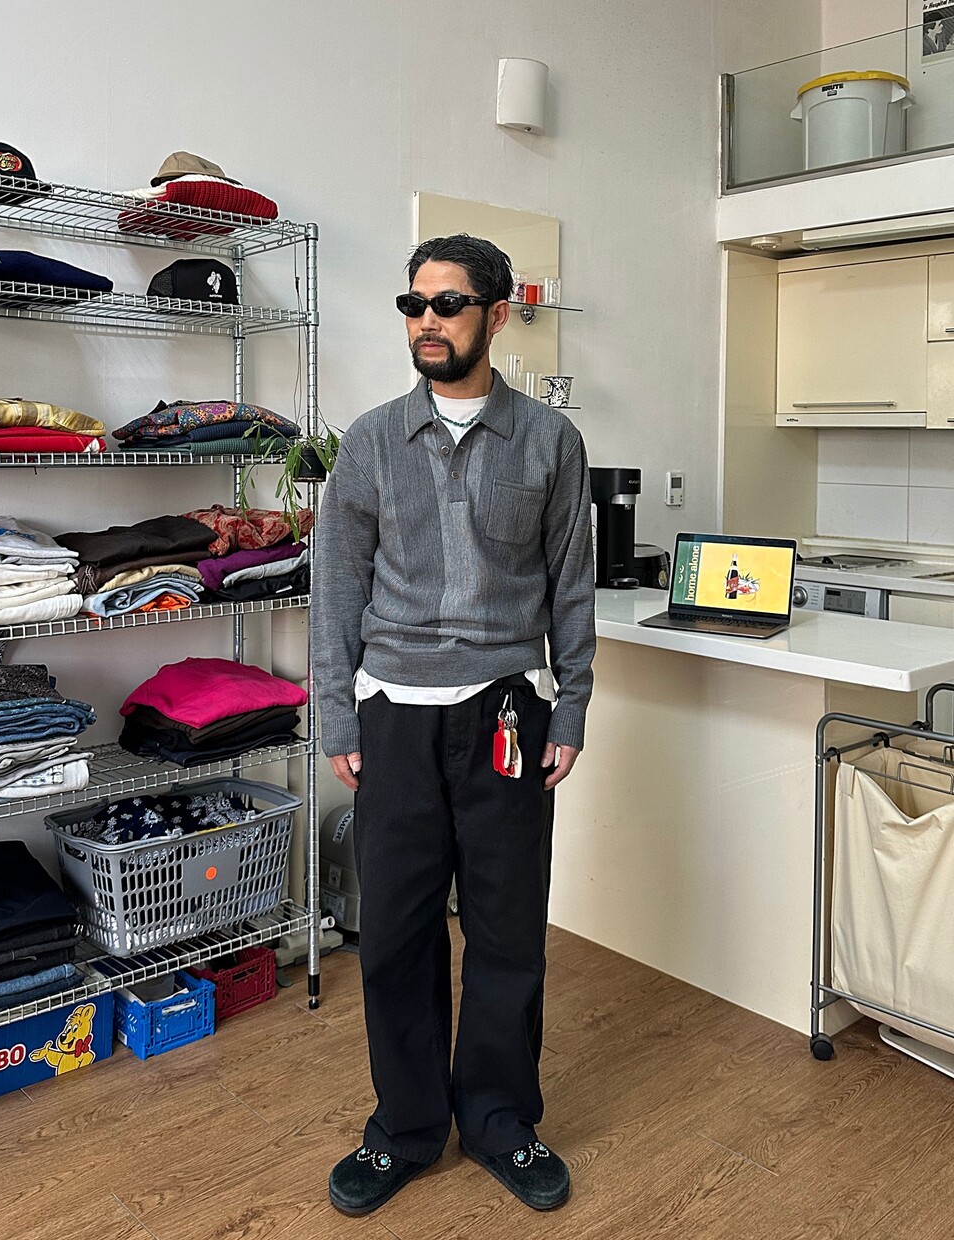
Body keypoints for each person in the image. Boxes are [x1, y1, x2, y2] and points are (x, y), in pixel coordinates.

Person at [311, 233, 596, 1217]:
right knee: (394, 933)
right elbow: (335, 590)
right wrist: (337, 713)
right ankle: (403, 1128)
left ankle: (501, 1120)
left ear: (496, 314)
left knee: (508, 931)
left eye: (447, 304)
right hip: (393, 715)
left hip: (509, 711)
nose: (425, 322)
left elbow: (570, 587)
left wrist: (572, 705)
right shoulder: (370, 442)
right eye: (414, 304)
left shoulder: (550, 442)